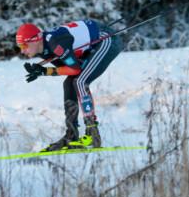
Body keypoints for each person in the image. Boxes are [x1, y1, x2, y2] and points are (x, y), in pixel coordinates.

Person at [16, 20, 124, 151]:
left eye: (24, 45)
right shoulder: (42, 50)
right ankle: (71, 135)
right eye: (19, 46)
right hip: (93, 40)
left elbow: (75, 69)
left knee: (80, 81)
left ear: (36, 40)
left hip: (106, 39)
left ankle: (92, 132)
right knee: (69, 84)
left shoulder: (56, 43)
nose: (22, 50)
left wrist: (45, 71)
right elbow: (67, 67)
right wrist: (42, 70)